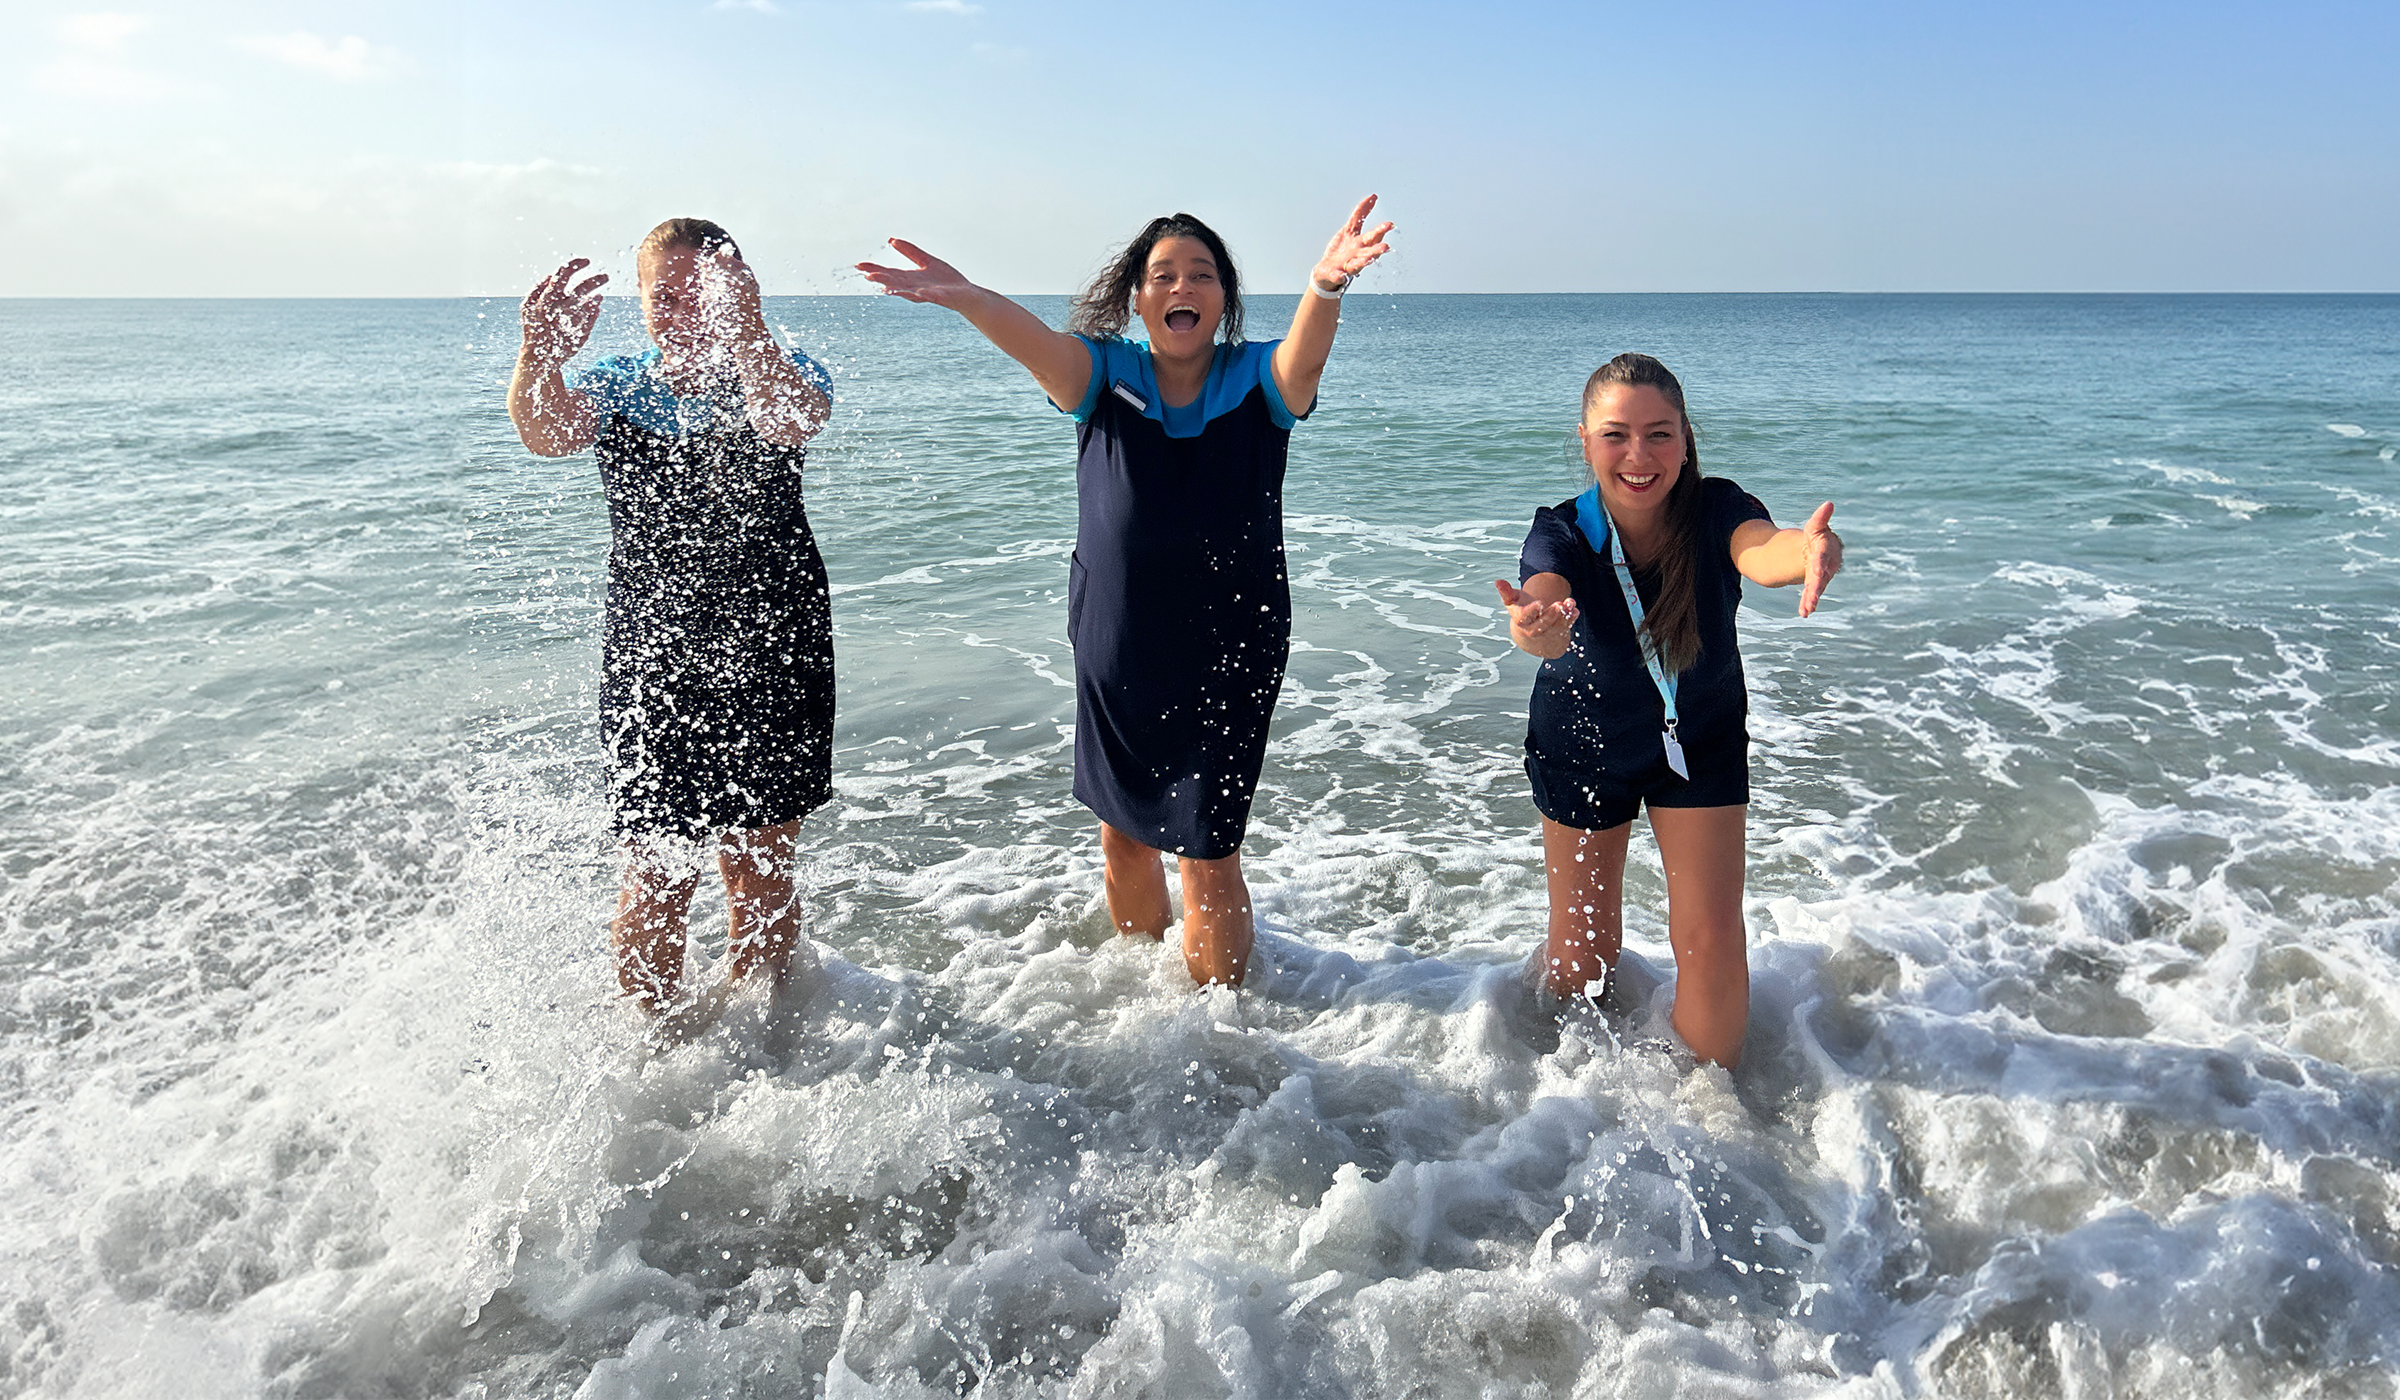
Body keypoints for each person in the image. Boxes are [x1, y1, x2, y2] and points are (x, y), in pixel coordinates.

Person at [856, 197, 1394, 987]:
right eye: (1163, 274)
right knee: (1123, 835)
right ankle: (1142, 1000)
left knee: (1209, 851)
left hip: (1232, 644)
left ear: (1223, 301)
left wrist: (1325, 285)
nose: (1183, 285)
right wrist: (968, 297)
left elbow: (1305, 360)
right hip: (1119, 641)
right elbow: (1034, 345)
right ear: (1138, 299)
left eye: (1202, 275)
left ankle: (1220, 1027)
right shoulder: (1104, 374)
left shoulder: (1259, 380)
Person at [508, 218, 836, 1023]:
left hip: (777, 646)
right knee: (658, 867)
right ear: (643, 302)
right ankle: (655, 1057)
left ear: (740, 290)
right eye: (666, 294)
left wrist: (749, 324)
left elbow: (794, 420)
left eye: (706, 290)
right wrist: (541, 353)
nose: (685, 308)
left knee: (760, 864)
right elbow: (541, 432)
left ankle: (761, 1043)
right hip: (653, 653)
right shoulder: (622, 383)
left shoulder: (781, 369)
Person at [1494, 353, 1842, 1067]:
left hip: (1701, 739)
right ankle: (1555, 1097)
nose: (1639, 455)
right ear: (1585, 441)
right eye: (1616, 435)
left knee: (1712, 935)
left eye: (1659, 434)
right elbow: (1542, 595)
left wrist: (1804, 553)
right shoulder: (1560, 530)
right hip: (1584, 740)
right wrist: (1538, 626)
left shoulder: (1718, 509)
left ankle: (1716, 1115)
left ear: (1686, 438)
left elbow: (1761, 551)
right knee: (1584, 949)